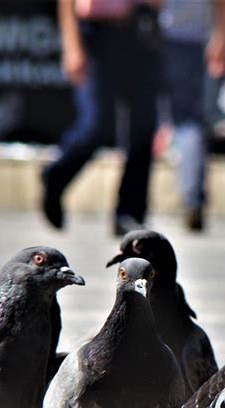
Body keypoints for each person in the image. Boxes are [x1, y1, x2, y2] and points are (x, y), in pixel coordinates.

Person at [42, 0, 161, 236]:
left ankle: (130, 213)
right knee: (98, 123)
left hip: (142, 26)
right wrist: (72, 44)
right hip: (96, 31)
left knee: (144, 125)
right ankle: (56, 175)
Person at [157, 0, 225, 231]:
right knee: (189, 122)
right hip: (189, 41)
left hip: (153, 35)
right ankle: (193, 200)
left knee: (140, 120)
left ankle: (129, 205)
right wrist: (222, 38)